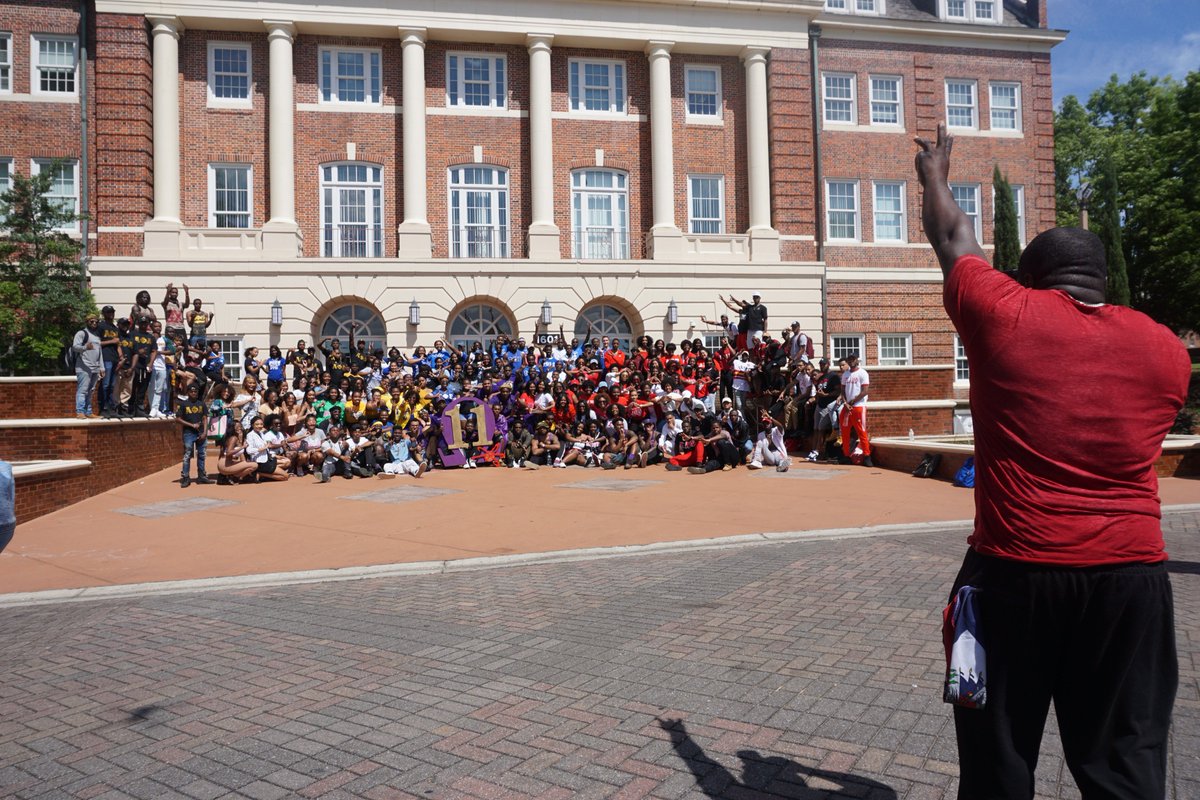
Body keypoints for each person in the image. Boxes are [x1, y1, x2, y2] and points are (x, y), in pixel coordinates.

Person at [915, 123, 1190, 799]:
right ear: (1101, 278)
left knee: (997, 763)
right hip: (1131, 581)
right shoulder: (1167, 353)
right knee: (1124, 762)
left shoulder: (1005, 312)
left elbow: (954, 239)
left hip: (1014, 573)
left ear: (1031, 280)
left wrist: (934, 177)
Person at [838, 353, 872, 467]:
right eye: (849, 359)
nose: (851, 361)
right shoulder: (845, 374)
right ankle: (846, 455)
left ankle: (867, 456)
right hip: (847, 407)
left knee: (861, 431)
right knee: (845, 432)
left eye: (853, 359)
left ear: (857, 360)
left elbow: (865, 391)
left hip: (858, 406)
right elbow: (842, 391)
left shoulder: (863, 373)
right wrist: (845, 402)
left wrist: (852, 401)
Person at [176, 383, 212, 488]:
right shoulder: (183, 404)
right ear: (188, 392)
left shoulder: (201, 404)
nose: (193, 393)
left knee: (202, 454)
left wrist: (205, 432)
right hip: (188, 432)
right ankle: (185, 477)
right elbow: (177, 419)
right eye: (191, 391)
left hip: (200, 432)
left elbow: (205, 418)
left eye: (195, 391)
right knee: (187, 454)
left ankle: (201, 476)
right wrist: (191, 425)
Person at [71, 313, 105, 419]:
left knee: (91, 390)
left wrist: (102, 367)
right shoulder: (82, 333)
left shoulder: (97, 336)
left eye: (96, 321)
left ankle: (88, 411)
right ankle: (80, 412)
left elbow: (100, 353)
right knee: (83, 389)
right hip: (83, 367)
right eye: (91, 321)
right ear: (87, 322)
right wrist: (85, 347)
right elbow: (75, 347)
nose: (94, 323)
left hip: (95, 367)